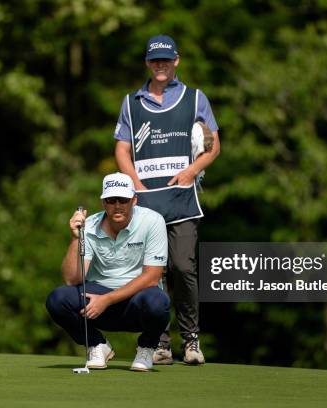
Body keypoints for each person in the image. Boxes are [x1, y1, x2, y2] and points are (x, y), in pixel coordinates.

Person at [114, 34, 221, 365]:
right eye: (154, 60)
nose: (160, 65)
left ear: (177, 61)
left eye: (166, 59)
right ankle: (159, 342)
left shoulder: (195, 98)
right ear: (148, 63)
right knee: (152, 274)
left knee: (182, 266)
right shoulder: (132, 102)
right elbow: (121, 148)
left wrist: (191, 172)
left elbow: (213, 145)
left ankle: (190, 340)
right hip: (146, 202)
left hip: (182, 199)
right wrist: (134, 183)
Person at [45, 172, 170, 372]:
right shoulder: (90, 225)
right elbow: (72, 279)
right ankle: (97, 345)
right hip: (97, 302)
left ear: (134, 200)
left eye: (123, 199)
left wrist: (108, 299)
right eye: (111, 200)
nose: (118, 205)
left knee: (159, 302)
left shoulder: (153, 221)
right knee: (57, 299)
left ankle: (146, 347)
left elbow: (152, 277)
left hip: (136, 303)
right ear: (103, 202)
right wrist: (76, 238)